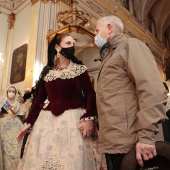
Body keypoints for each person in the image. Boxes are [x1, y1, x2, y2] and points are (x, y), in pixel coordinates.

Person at [94, 15, 167, 170]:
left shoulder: (130, 45)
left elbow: (152, 90)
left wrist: (146, 136)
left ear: (109, 28)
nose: (95, 35)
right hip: (113, 142)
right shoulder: (109, 56)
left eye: (97, 30)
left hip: (132, 142)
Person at [17, 33, 97, 170]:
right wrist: (28, 122)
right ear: (57, 47)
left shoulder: (80, 69)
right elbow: (39, 99)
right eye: (68, 43)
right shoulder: (47, 71)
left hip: (74, 121)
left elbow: (90, 94)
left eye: (73, 43)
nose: (72, 47)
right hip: (47, 123)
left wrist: (89, 117)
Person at [0, 86, 23, 170]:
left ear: (15, 93)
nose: (11, 93)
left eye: (13, 91)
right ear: (7, 92)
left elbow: (20, 115)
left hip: (16, 126)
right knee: (5, 145)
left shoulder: (17, 103)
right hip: (4, 125)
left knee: (15, 146)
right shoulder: (2, 102)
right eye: (10, 91)